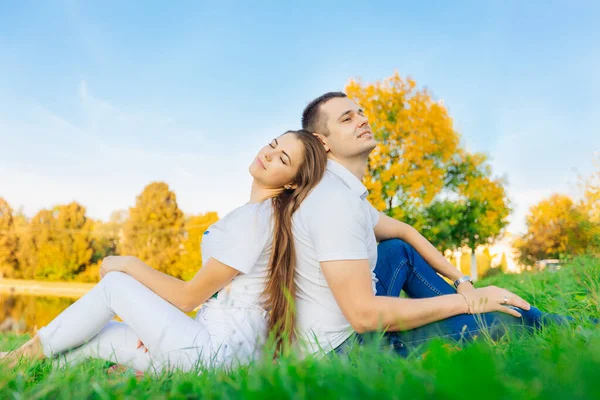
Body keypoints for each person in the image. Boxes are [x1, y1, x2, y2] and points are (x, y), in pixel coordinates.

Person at [1, 129, 328, 373]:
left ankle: (14, 360)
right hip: (212, 349)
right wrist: (159, 324)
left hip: (211, 356)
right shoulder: (263, 217)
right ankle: (23, 367)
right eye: (273, 145)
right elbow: (216, 300)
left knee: (115, 285)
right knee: (101, 334)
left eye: (282, 159)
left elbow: (189, 297)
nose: (269, 154)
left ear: (292, 184)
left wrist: (127, 263)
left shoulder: (256, 220)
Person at [292, 92, 567, 357]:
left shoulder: (343, 192)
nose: (363, 120)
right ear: (322, 142)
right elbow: (363, 317)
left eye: (361, 113)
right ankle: (539, 322)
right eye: (347, 119)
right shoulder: (333, 201)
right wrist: (466, 302)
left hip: (350, 328)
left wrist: (463, 283)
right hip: (344, 350)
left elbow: (404, 231)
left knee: (398, 249)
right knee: (503, 322)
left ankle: (477, 312)